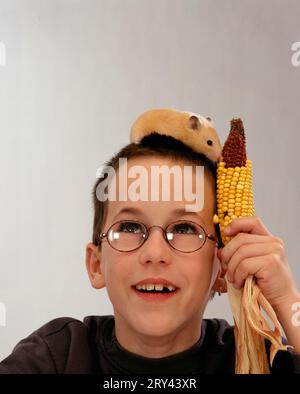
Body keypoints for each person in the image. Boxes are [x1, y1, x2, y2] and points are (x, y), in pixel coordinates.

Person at [0, 134, 300, 374]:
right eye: (130, 226)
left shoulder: (259, 361)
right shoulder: (57, 357)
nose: (155, 253)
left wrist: (288, 302)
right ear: (96, 264)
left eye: (184, 229)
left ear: (222, 269)